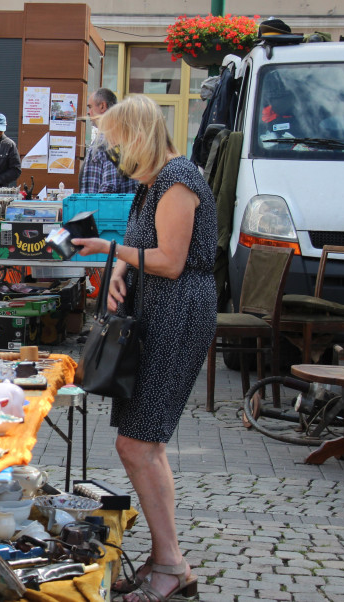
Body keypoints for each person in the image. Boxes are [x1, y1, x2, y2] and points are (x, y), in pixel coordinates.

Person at [71, 94, 215, 602]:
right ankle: (166, 561)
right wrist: (121, 271)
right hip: (156, 312)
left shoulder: (178, 180)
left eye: (116, 142)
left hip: (176, 314)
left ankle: (171, 566)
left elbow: (172, 260)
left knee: (138, 444)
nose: (112, 152)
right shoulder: (154, 183)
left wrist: (109, 251)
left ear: (138, 136)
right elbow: (146, 249)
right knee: (146, 445)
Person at [79, 88, 137, 194]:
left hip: (102, 209)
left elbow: (109, 189)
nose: (88, 112)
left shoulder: (109, 140)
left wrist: (96, 208)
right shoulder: (119, 136)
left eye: (90, 107)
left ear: (102, 106)